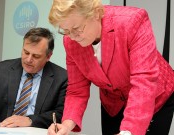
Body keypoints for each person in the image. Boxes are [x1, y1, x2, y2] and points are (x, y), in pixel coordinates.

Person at [47, 0, 174, 135]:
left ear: (95, 14)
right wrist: (66, 125)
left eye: (76, 29)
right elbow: (77, 90)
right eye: (65, 31)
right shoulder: (70, 42)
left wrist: (128, 132)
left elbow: (143, 82)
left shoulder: (132, 21)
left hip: (154, 98)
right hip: (113, 103)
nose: (72, 37)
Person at [0, 27, 67, 129]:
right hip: (3, 131)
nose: (28, 59)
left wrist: (30, 120)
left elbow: (60, 114)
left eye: (36, 56)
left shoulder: (61, 77)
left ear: (48, 56)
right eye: (26, 52)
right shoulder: (3, 69)